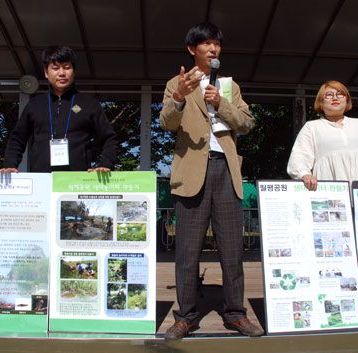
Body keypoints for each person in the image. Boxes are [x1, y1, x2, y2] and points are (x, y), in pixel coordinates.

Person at [159, 22, 263, 340]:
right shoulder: (176, 83)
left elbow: (246, 123)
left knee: (233, 250)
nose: (213, 48)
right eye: (205, 43)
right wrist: (178, 98)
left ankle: (235, 314)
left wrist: (222, 103)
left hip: (225, 170)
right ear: (193, 50)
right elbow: (166, 122)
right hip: (192, 171)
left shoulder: (229, 86)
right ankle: (186, 316)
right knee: (187, 251)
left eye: (216, 43)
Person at [0, 45, 118, 173]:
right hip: (41, 178)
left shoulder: (88, 104)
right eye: (55, 68)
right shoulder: (35, 104)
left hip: (76, 180)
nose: (62, 73)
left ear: (73, 71)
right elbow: (17, 138)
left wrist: (106, 164)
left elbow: (109, 137)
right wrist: (10, 164)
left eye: (67, 67)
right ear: (46, 73)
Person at [287, 80, 358, 191]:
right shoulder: (312, 127)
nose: (335, 98)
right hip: (333, 191)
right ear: (320, 102)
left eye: (340, 94)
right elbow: (300, 155)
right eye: (328, 95)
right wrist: (304, 174)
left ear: (347, 101)